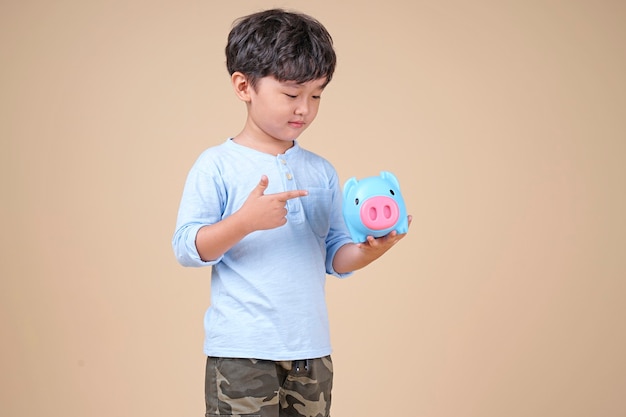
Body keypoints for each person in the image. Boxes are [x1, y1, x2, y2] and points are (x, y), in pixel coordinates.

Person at [172, 8, 411, 417]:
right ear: (244, 85)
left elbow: (335, 256)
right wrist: (245, 222)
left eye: (316, 95)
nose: (305, 108)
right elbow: (187, 247)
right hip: (242, 352)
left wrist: (373, 249)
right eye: (291, 94)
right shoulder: (217, 165)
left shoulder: (320, 170)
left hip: (310, 351)